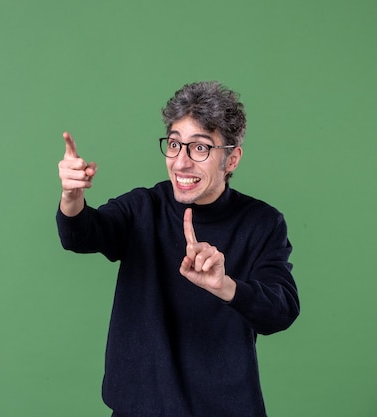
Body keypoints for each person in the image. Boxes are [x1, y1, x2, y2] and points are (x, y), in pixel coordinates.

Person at [55, 81, 300, 417]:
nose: (181, 163)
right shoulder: (143, 207)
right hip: (139, 407)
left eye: (199, 149)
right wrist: (72, 197)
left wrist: (225, 286)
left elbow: (281, 310)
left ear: (231, 159)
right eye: (174, 145)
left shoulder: (262, 222)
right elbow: (81, 234)